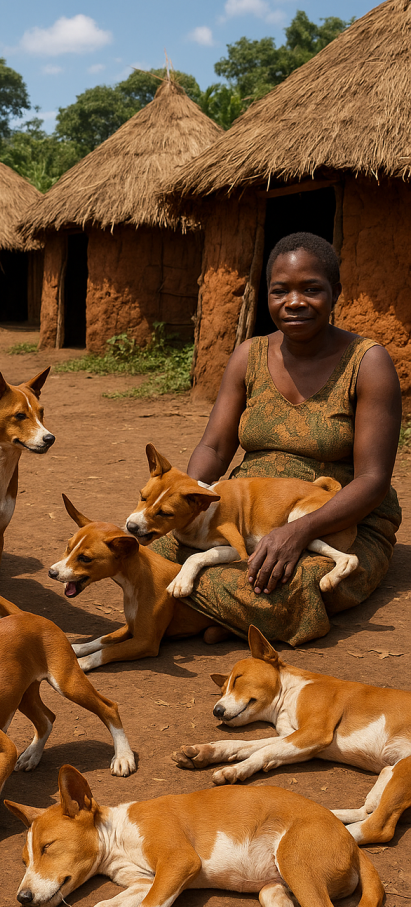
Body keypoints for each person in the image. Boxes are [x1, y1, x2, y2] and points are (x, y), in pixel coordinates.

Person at [154, 232, 402, 646]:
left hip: (336, 520)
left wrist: (299, 531)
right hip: (245, 510)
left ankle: (200, 616)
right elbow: (214, 448)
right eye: (280, 290)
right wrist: (190, 500)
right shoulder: (248, 356)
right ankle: (226, 619)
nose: (294, 302)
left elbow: (372, 480)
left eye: (311, 289)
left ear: (335, 293)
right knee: (145, 550)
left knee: (292, 586)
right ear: (266, 296)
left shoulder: (368, 363)